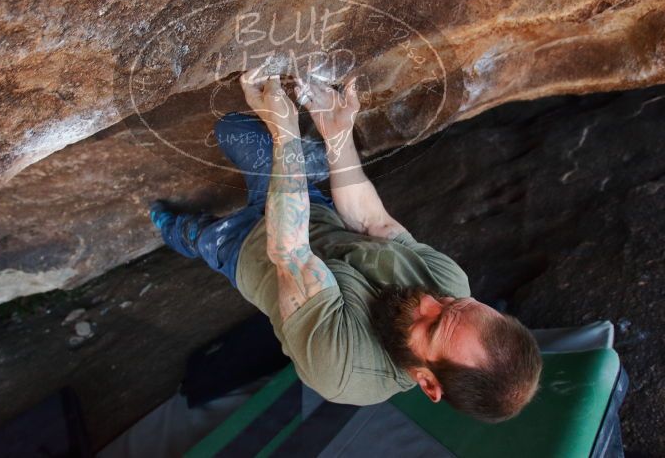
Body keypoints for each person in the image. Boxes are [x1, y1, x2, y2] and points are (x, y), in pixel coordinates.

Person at [150, 69, 542, 422]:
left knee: (197, 236)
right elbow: (373, 222)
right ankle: (303, 162)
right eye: (456, 303)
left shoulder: (343, 371)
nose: (430, 300)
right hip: (313, 210)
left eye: (433, 324)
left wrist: (285, 135)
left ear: (428, 384)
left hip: (247, 251)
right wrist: (337, 136)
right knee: (232, 126)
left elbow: (292, 253)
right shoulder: (450, 284)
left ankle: (170, 224)